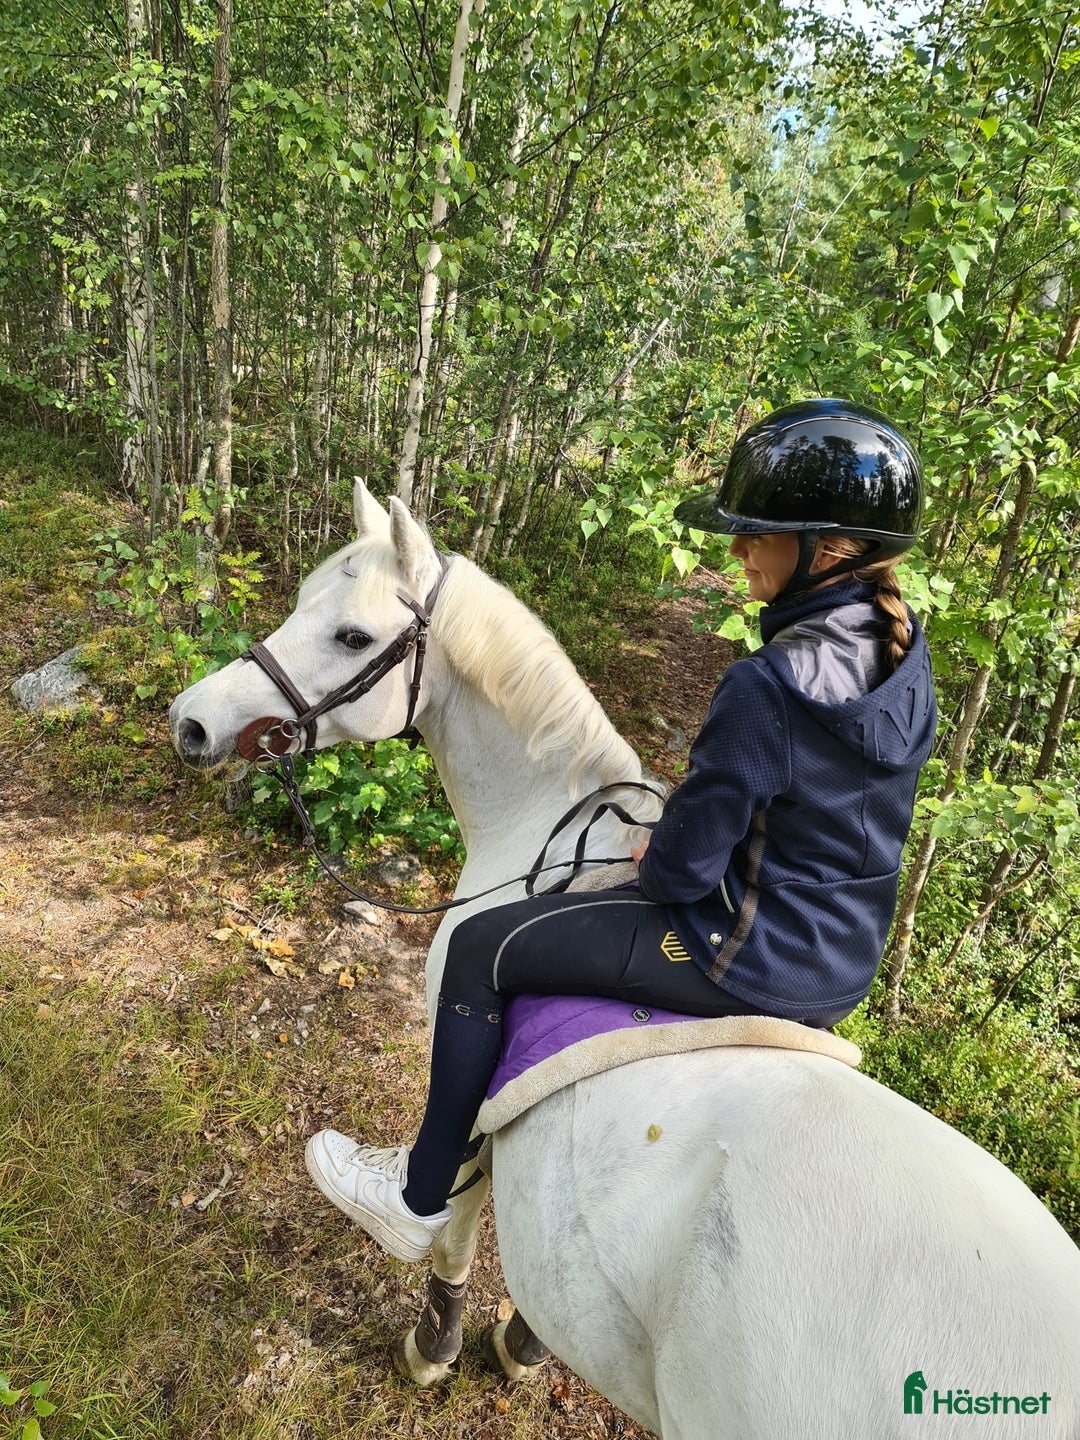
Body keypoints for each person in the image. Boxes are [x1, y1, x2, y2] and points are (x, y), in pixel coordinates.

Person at [305, 397, 938, 1262]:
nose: (736, 549)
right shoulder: (905, 655)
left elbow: (681, 876)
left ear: (828, 549)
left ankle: (417, 1197)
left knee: (480, 948)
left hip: (740, 951)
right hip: (841, 959)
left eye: (757, 534)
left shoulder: (766, 686)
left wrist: (663, 841)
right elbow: (814, 805)